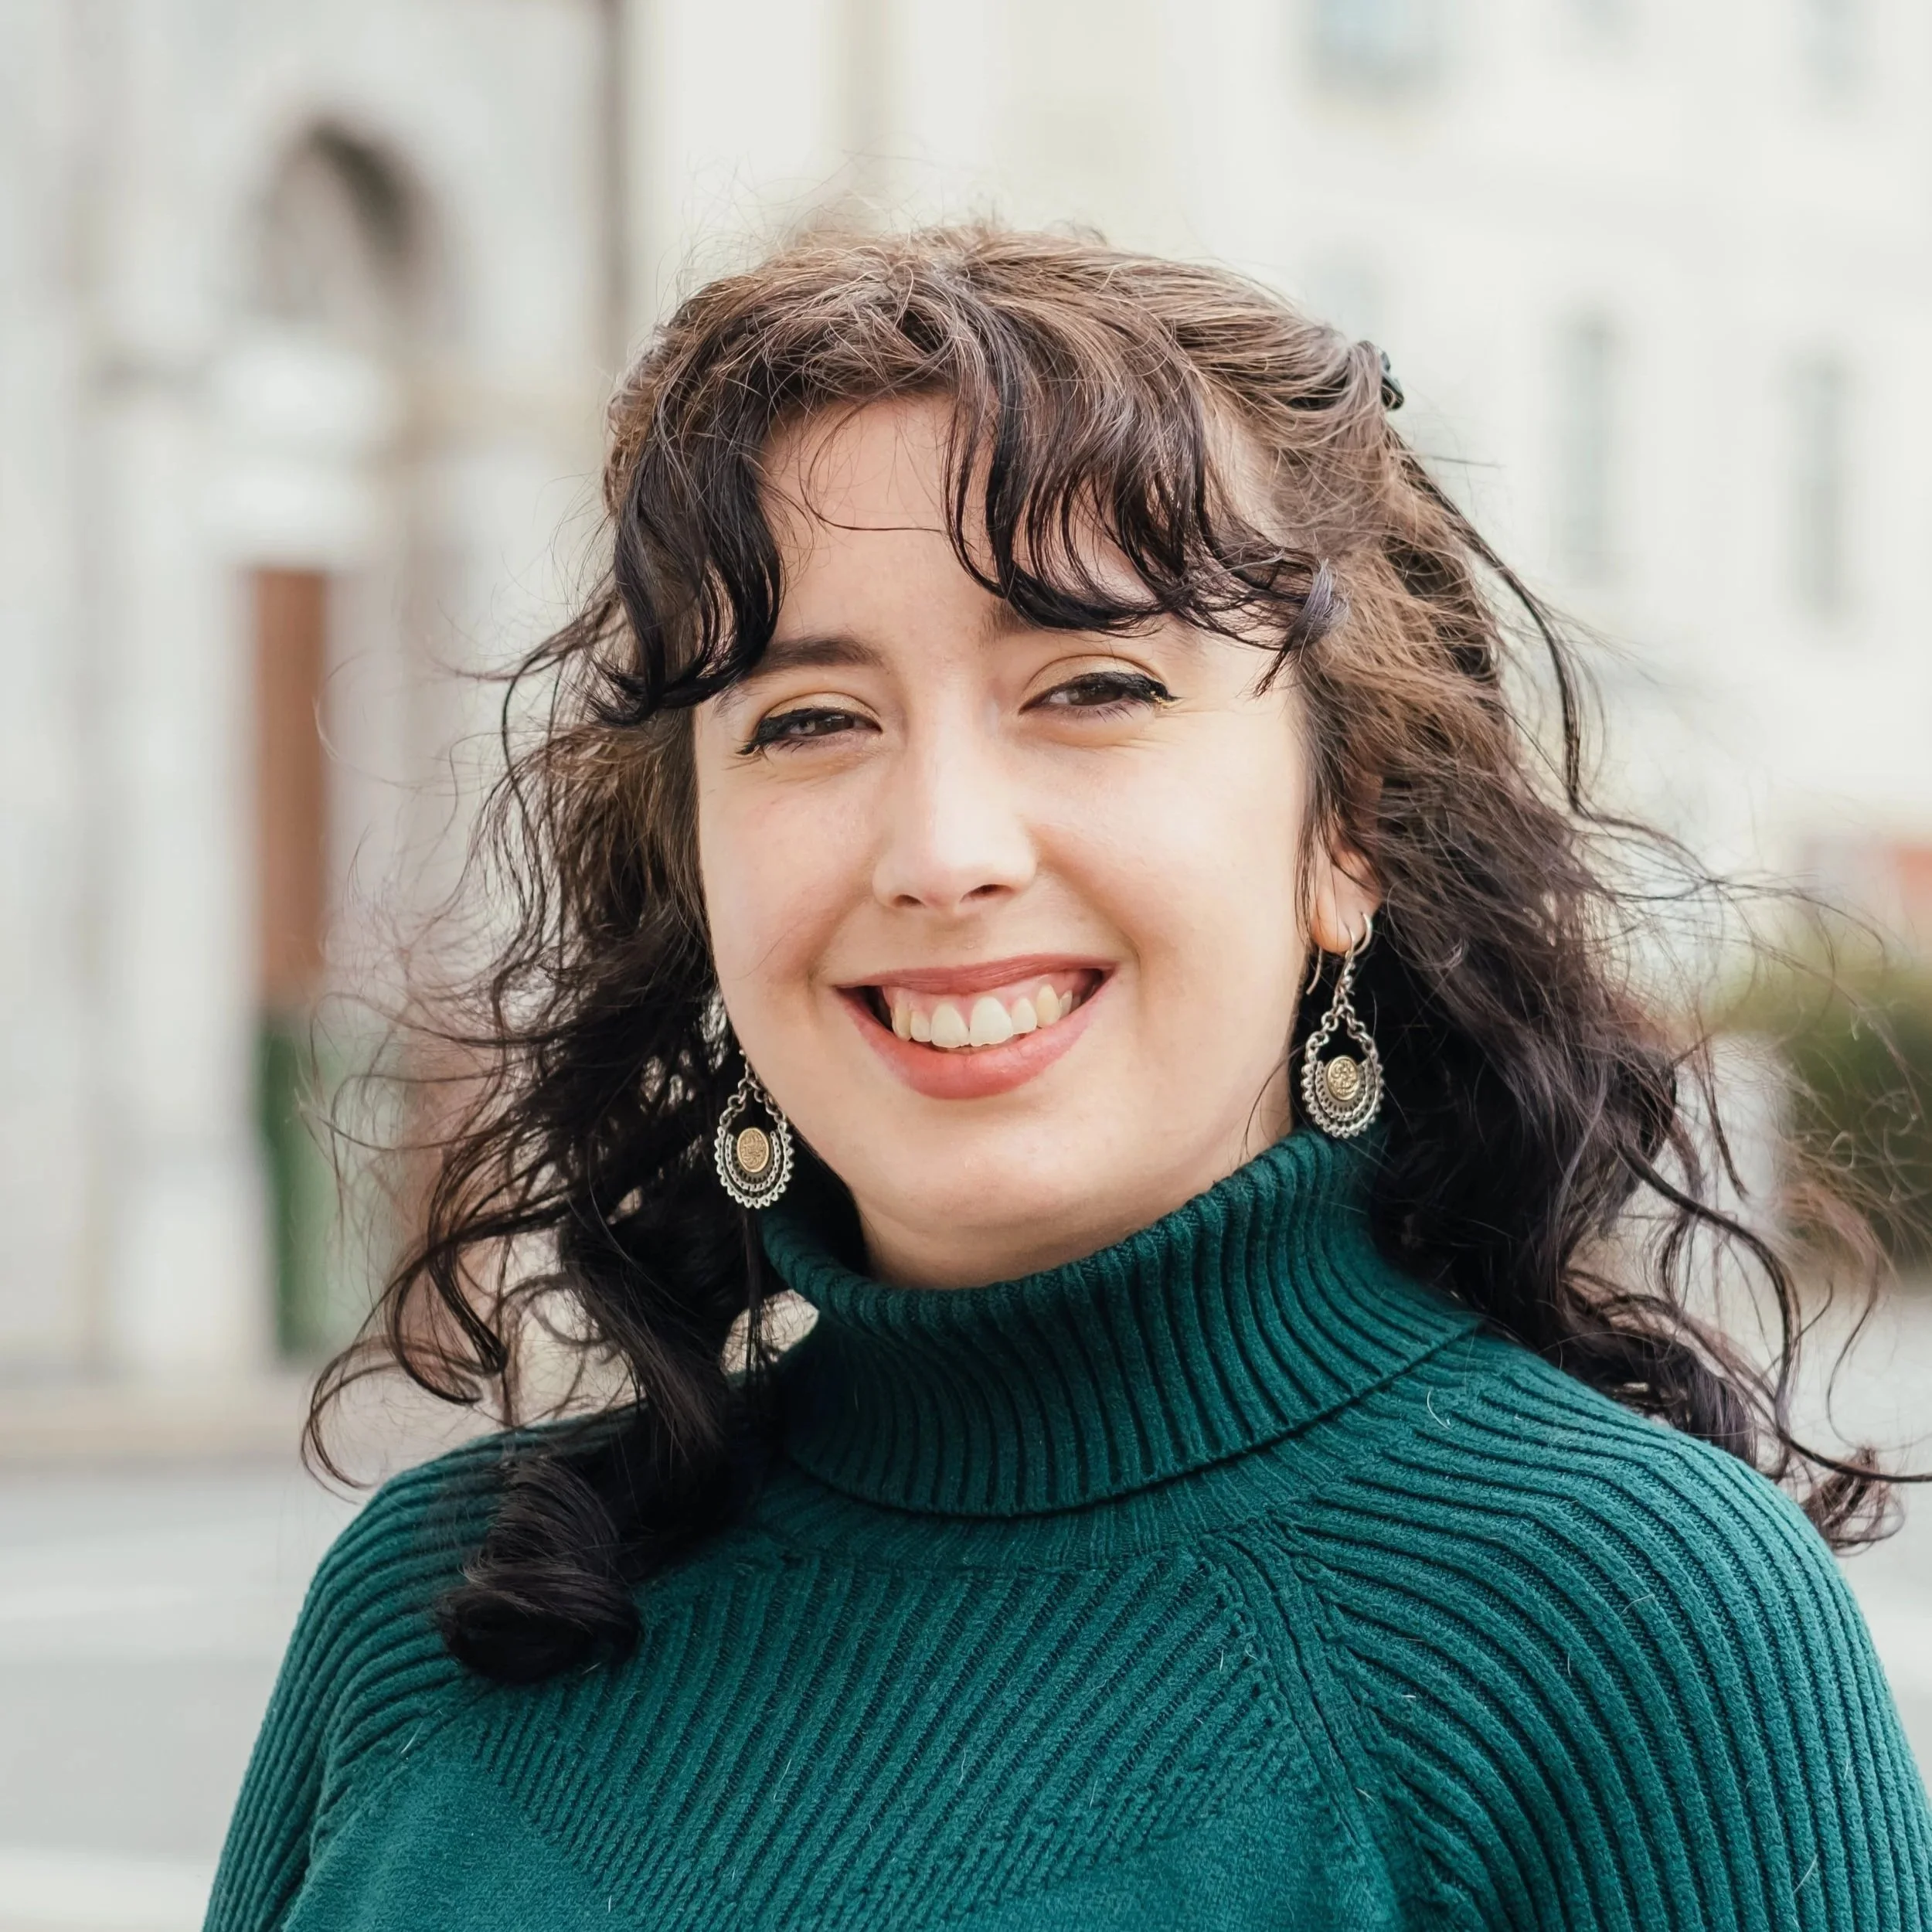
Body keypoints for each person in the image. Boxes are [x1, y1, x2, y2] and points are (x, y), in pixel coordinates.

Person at [207, 227, 1931, 1930]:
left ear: (1344, 835)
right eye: (806, 721)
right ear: (699, 870)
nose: (942, 848)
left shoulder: (1630, 1623)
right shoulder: (439, 1608)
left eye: (1089, 687)